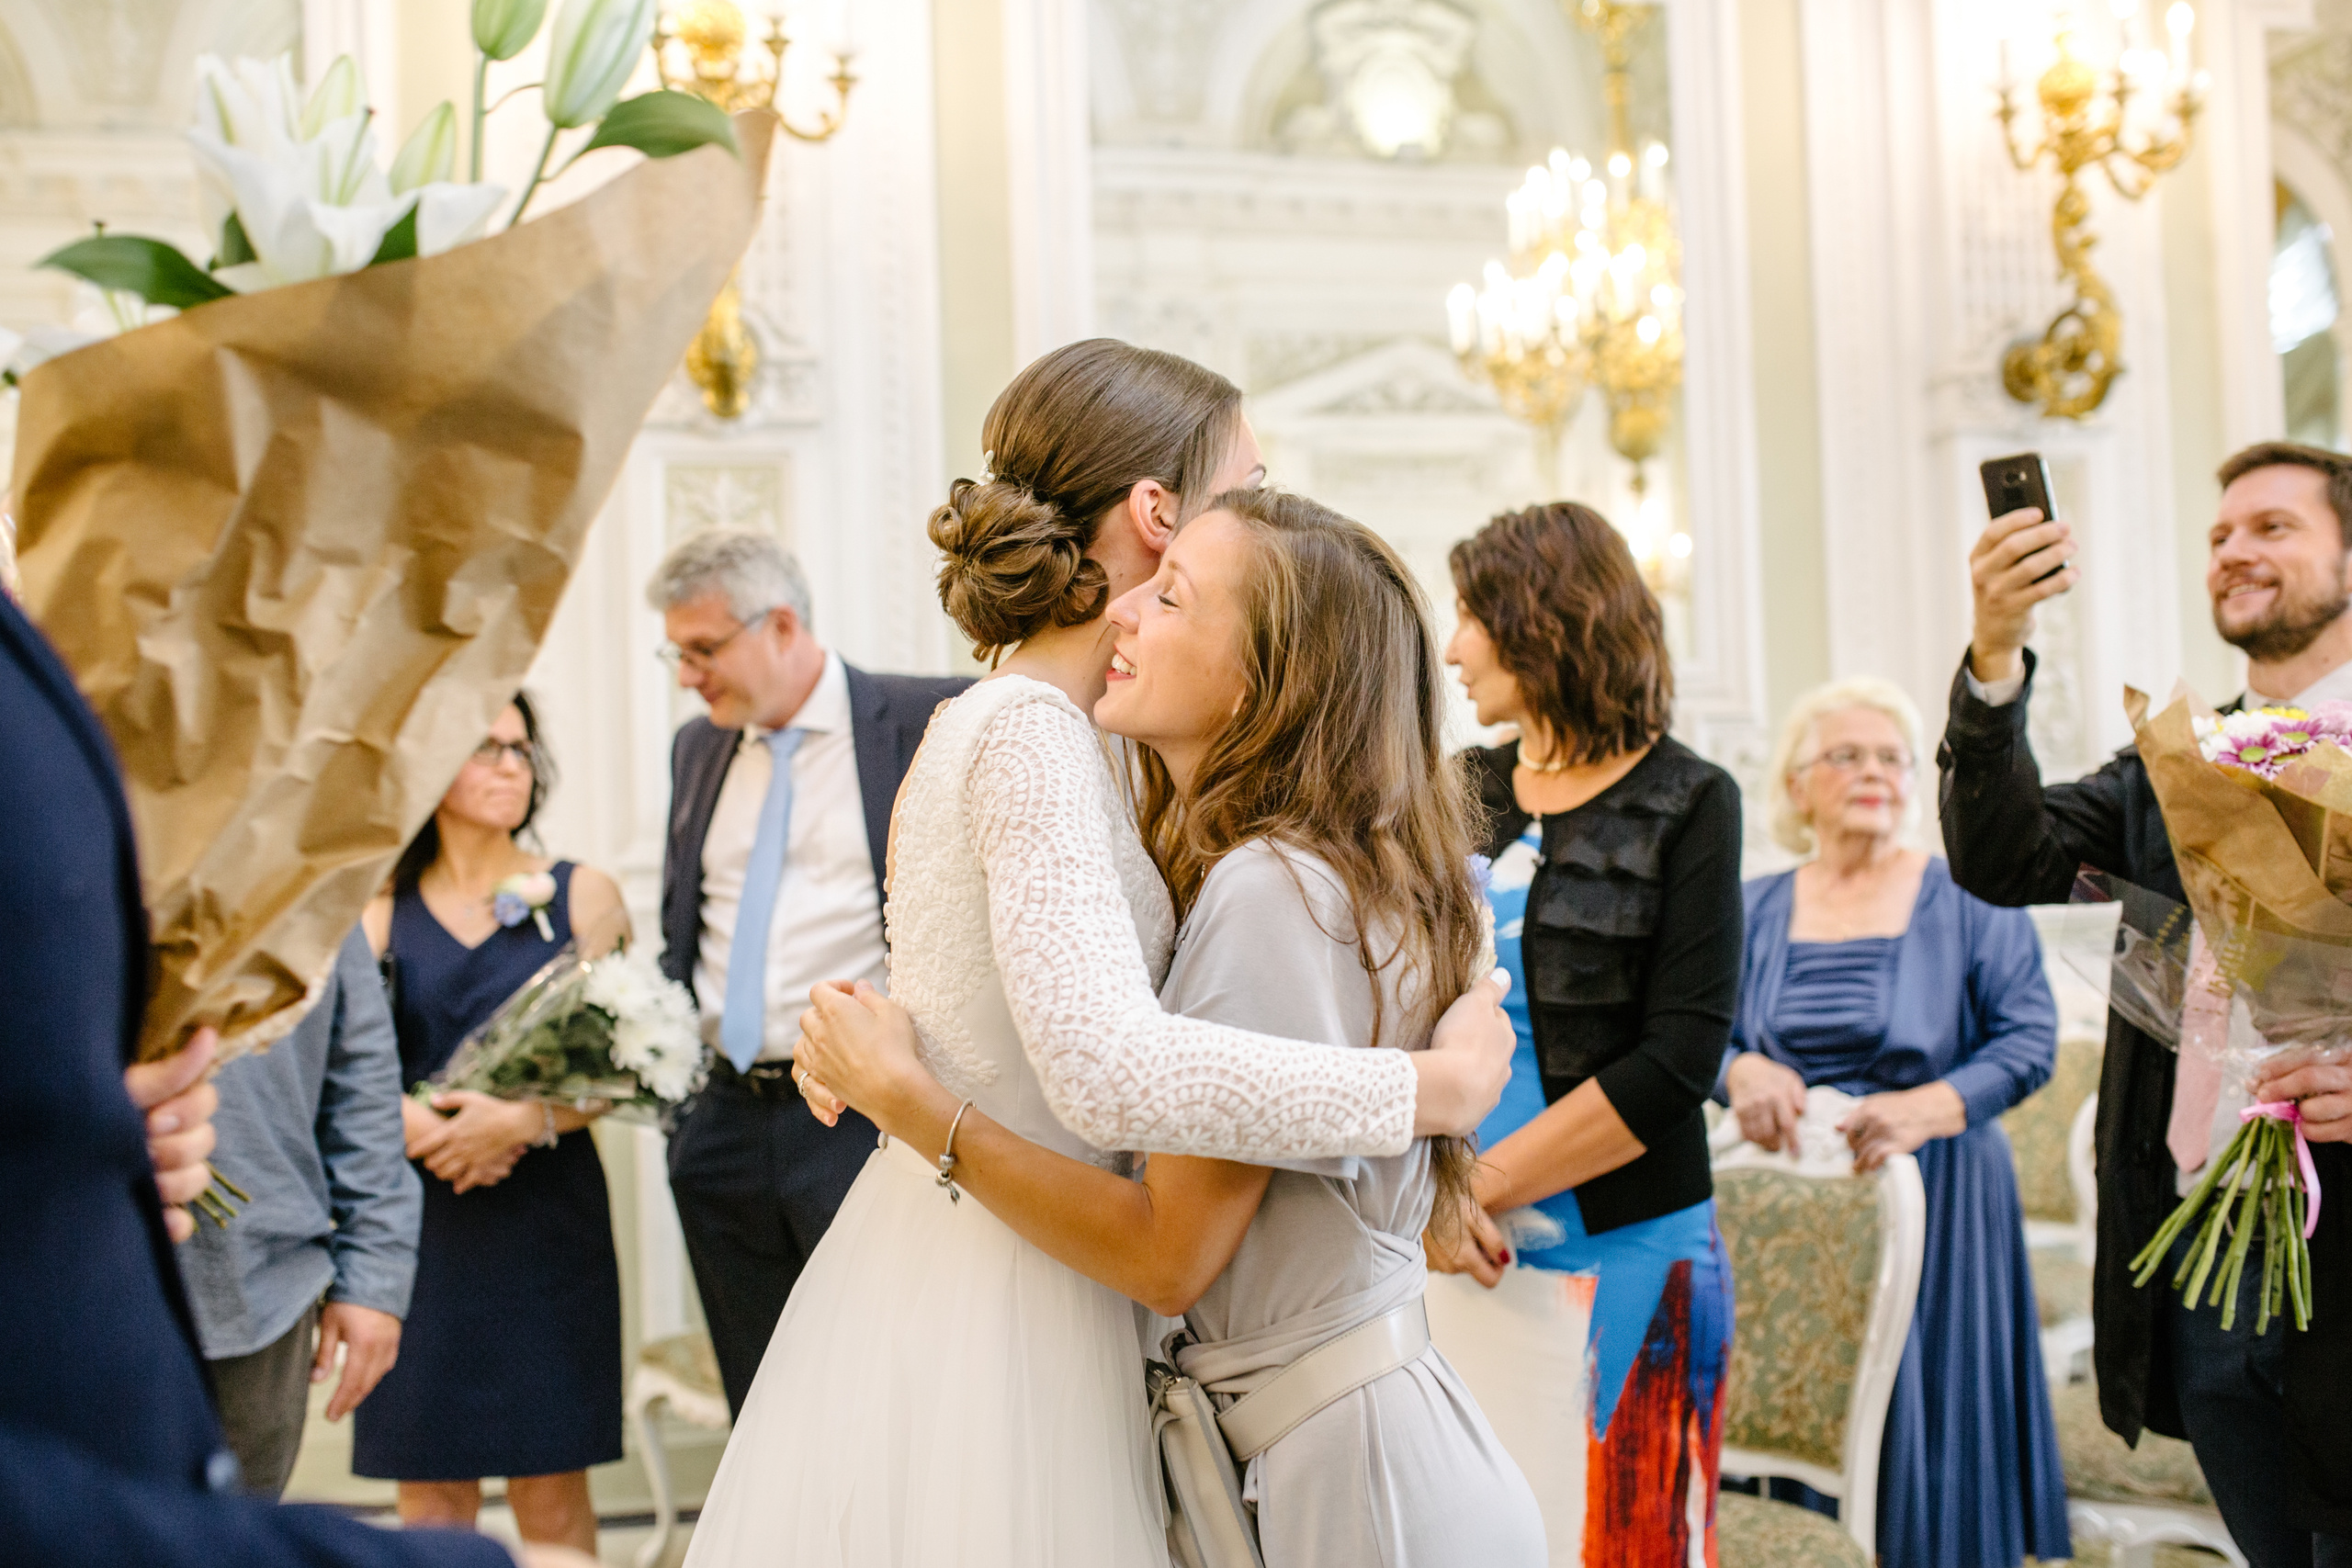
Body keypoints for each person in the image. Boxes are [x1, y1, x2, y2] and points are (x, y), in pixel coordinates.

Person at [680, 337, 1514, 1567]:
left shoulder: (1099, 737)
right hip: (1010, 1285)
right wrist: (1427, 1092)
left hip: (1072, 1261)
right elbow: (1102, 1067)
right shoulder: (1031, 733)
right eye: (1250, 481)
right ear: (1161, 512)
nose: (1268, 512)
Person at [0, 574, 582, 1567]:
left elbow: (360, 1080)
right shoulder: (73, 822)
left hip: (269, 1279)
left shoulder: (318, 869)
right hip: (88, 1291)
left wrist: (373, 1278)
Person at [1941, 440, 2352, 1565]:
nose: (2233, 551)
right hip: (2205, 1239)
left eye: (2272, 527)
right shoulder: (2180, 761)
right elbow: (2002, 856)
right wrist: (1995, 649)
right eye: (2219, 536)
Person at [1423, 502, 1742, 1568]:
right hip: (1452, 1256)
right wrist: (1435, 1196)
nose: (1454, 649)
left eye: (1471, 617)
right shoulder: (1458, 788)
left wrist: (1476, 1187)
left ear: (1541, 620)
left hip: (1621, 1262)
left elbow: (1677, 1062)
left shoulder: (1691, 799)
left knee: (1618, 1543)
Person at [1725, 677, 2067, 1568]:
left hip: (1946, 1194)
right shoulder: (1751, 906)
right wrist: (1738, 1069)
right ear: (1797, 785)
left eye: (1892, 758)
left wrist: (1930, 1106)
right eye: (1846, 755)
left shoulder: (1970, 893)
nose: (1873, 772)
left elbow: (2030, 1037)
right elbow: (1697, 1035)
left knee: (1938, 1422)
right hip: (1792, 1221)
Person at [646, 527, 969, 1418]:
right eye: (677, 654)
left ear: (781, 625)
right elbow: (686, 918)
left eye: (703, 649)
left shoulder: (926, 720)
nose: (687, 675)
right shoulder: (697, 747)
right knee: (763, 1405)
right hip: (719, 1126)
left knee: (878, 1391)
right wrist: (684, 1120)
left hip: (853, 1121)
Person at [353, 696, 628, 1555]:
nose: (512, 764)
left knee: (553, 1491)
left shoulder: (584, 894)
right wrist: (413, 1124)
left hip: (545, 1226)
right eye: (487, 748)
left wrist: (522, 1119)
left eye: (521, 747)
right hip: (419, 1233)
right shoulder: (378, 907)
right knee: (432, 1498)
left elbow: (631, 1065)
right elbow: (339, 1069)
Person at [181, 927, 423, 1498]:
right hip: (44, 1276)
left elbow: (360, 1071)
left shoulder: (316, 881)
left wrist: (375, 1270)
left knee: (238, 1531)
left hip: (259, 1285)